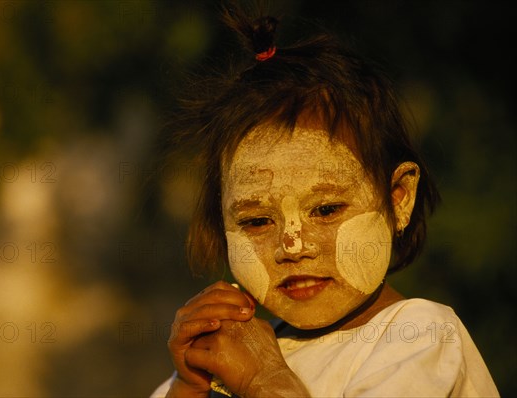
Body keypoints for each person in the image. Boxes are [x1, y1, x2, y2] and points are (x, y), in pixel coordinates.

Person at [151, 6, 499, 398]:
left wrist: (262, 381)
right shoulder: (243, 354)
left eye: (326, 210)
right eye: (257, 221)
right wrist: (189, 383)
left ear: (398, 198)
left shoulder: (420, 336)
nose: (293, 246)